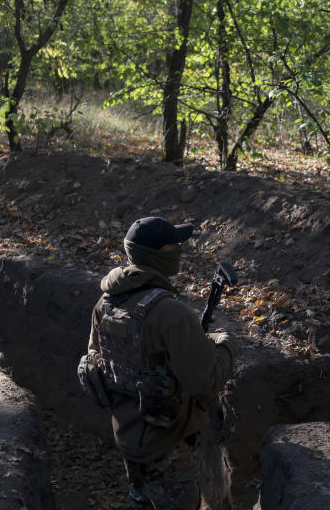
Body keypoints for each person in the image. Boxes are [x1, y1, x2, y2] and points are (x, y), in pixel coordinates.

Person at [79, 216, 236, 510]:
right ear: (158, 254)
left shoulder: (106, 303)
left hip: (126, 434)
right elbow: (203, 384)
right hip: (167, 441)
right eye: (173, 244)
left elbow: (103, 360)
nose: (179, 248)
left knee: (140, 499)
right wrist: (226, 344)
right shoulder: (171, 314)